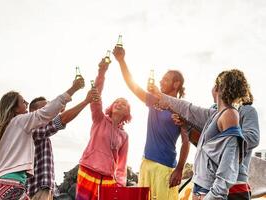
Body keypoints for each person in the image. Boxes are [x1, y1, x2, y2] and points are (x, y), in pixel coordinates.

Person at [151, 69, 250, 199]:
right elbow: (188, 109)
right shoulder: (214, 115)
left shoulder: (229, 115)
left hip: (213, 193)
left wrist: (213, 196)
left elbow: (228, 164)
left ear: (218, 87)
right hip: (203, 188)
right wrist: (164, 100)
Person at [113, 46, 190, 200]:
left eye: (166, 79)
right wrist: (121, 61)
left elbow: (186, 142)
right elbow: (132, 86)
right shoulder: (154, 101)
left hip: (165, 168)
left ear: (176, 84)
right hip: (146, 163)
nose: (161, 80)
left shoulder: (182, 108)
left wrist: (180, 169)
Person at [0, 78, 83, 200]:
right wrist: (73, 89)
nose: (26, 104)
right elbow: (46, 113)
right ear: (15, 108)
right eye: (23, 102)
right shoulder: (20, 121)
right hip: (13, 186)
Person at [27, 86, 100, 199]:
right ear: (33, 112)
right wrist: (86, 101)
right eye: (45, 108)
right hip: (37, 189)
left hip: (42, 188)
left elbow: (59, 117)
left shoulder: (37, 129)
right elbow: (62, 119)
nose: (48, 110)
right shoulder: (33, 129)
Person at [75, 58, 132, 200]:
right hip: (88, 170)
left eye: (124, 104)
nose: (119, 104)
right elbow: (96, 96)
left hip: (108, 178)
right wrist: (102, 72)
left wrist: (119, 184)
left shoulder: (124, 136)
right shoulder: (99, 118)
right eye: (117, 102)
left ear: (127, 113)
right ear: (111, 107)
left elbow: (122, 162)